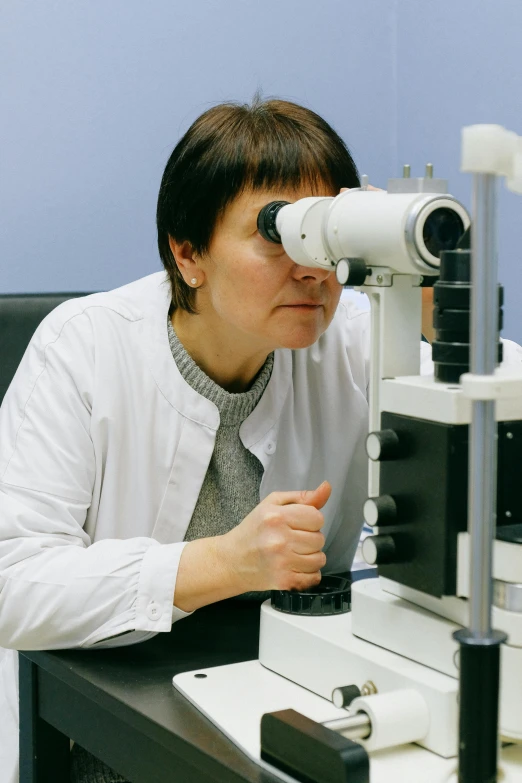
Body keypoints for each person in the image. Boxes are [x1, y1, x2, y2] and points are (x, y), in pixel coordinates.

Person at [0, 97, 517, 783]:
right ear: (189, 254)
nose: (312, 268)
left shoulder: (360, 334)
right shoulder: (83, 348)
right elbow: (14, 581)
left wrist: (443, 319)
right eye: (279, 234)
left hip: (290, 695)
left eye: (325, 235)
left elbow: (500, 412)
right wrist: (221, 563)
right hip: (114, 719)